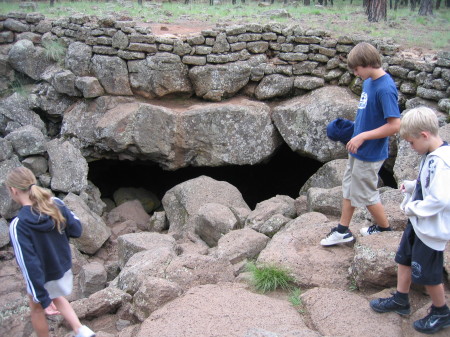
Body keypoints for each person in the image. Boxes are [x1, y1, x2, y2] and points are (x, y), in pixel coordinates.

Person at [370, 107, 450, 334]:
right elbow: (430, 185)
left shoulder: (441, 162)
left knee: (429, 274)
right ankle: (401, 299)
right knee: (403, 258)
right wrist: (414, 186)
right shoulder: (431, 155)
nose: (410, 147)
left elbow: (442, 199)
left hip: (431, 229)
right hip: (419, 224)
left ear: (424, 135)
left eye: (411, 143)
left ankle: (441, 311)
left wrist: (413, 207)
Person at [320, 42, 401, 246]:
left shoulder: (385, 88)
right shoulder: (369, 82)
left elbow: (394, 125)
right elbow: (368, 114)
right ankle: (343, 229)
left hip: (370, 152)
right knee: (349, 187)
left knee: (366, 193)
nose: (356, 74)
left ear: (367, 64)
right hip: (358, 148)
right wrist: (353, 131)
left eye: (357, 69)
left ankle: (385, 229)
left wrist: (363, 136)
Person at [6, 166, 96, 337]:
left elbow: (28, 264)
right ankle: (80, 329)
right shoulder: (56, 204)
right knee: (55, 296)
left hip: (43, 276)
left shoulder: (19, 225)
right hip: (62, 268)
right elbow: (77, 229)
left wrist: (41, 297)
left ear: (13, 190)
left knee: (36, 308)